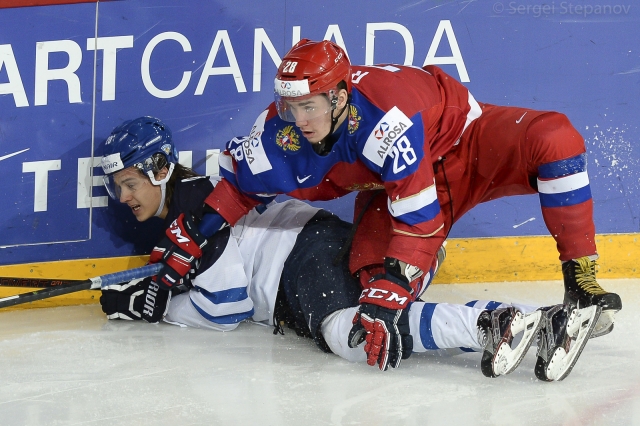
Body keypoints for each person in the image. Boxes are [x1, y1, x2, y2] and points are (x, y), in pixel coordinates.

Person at [187, 39, 620, 374]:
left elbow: (420, 219)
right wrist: (193, 233)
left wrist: (397, 281)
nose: (298, 121)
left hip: (466, 147)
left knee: (555, 138)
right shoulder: (280, 132)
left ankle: (580, 279)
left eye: (308, 107)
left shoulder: (385, 119)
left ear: (339, 98)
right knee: (369, 302)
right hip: (395, 191)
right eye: (290, 107)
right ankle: (498, 322)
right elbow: (239, 186)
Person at [98, 116, 598, 382]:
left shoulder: (194, 209)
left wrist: (161, 309)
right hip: (325, 245)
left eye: (129, 183)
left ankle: (492, 322)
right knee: (377, 312)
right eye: (116, 187)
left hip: (302, 264)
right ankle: (527, 320)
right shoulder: (196, 200)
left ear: (161, 169)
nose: (123, 197)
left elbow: (225, 306)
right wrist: (152, 288)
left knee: (353, 334)